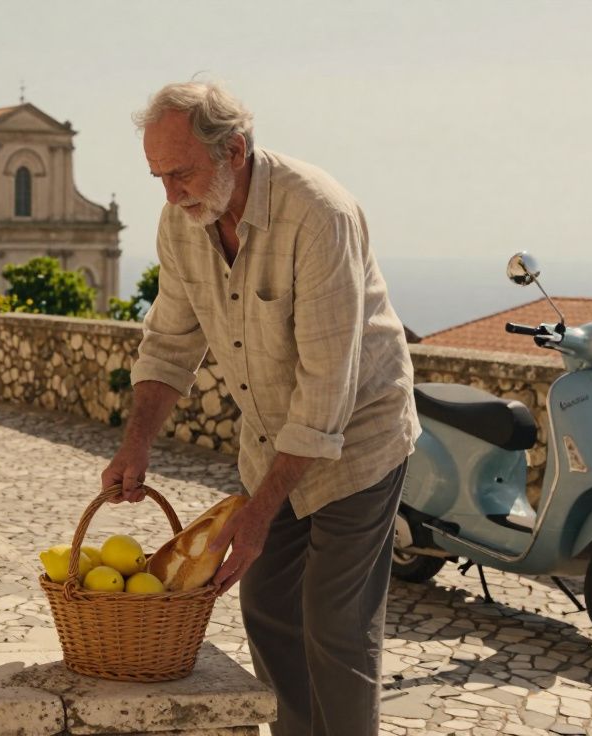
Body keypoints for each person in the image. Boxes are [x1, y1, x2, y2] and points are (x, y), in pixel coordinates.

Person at [101, 81, 420, 736]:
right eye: (158, 176)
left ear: (234, 150)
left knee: (336, 625)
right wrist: (136, 444)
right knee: (269, 608)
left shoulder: (317, 214)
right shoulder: (182, 221)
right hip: (273, 440)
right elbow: (169, 344)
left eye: (181, 172)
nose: (169, 193)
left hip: (358, 439)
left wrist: (257, 513)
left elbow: (328, 388)